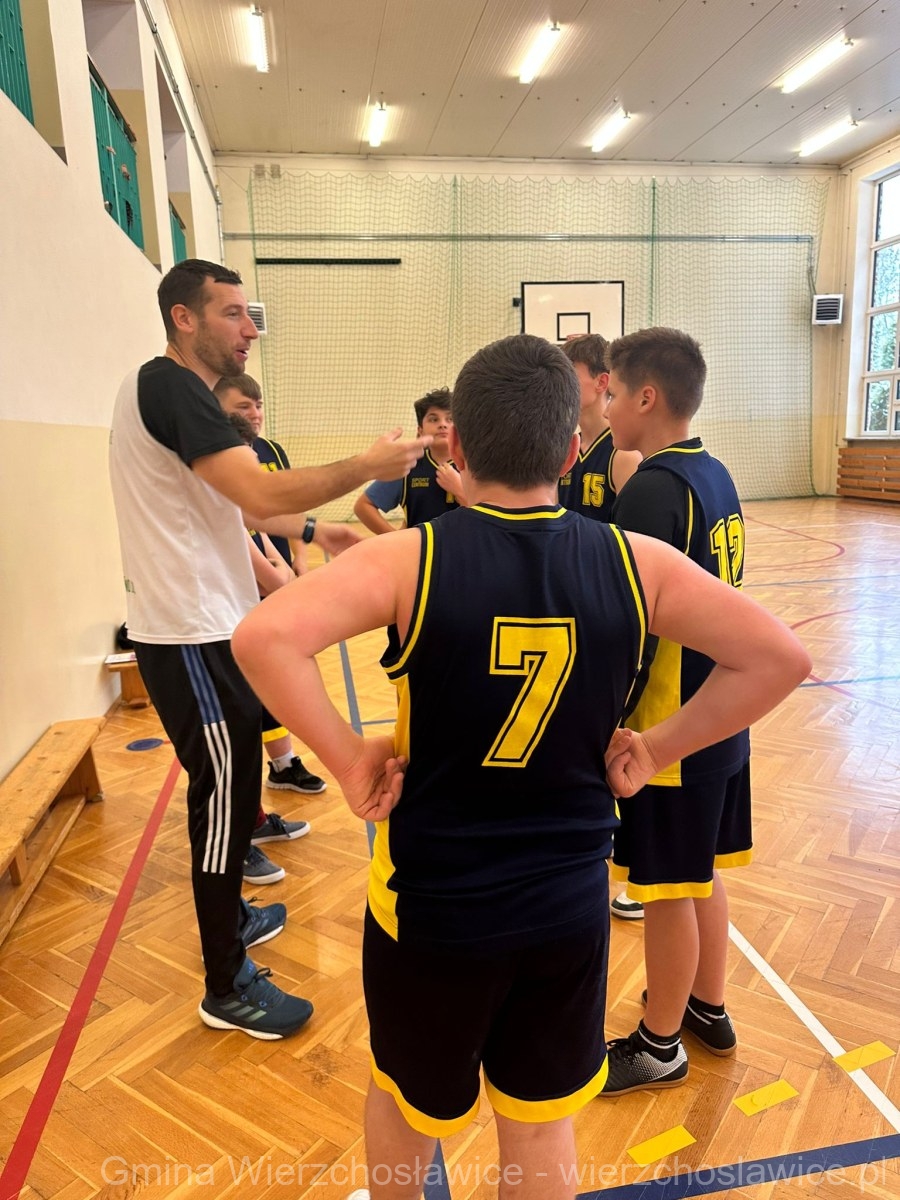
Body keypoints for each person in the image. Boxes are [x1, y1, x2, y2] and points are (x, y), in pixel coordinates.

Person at [232, 332, 809, 1196]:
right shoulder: (635, 561)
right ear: (573, 451)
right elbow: (780, 659)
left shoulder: (412, 557)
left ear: (457, 448)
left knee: (405, 1104)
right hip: (566, 904)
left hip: (433, 905)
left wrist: (349, 759)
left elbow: (263, 637)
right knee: (539, 1128)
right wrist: (656, 748)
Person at [108, 257, 431, 1040]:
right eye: (232, 314)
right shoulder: (168, 385)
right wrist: (366, 467)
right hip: (186, 632)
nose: (249, 330)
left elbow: (234, 509)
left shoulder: (182, 394)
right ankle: (225, 985)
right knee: (223, 798)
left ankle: (234, 917)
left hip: (211, 625)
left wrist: (322, 531)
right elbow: (256, 492)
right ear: (184, 318)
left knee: (239, 778)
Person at [599, 325, 763, 1095]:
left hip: (670, 730)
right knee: (699, 878)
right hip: (721, 719)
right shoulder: (715, 473)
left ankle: (659, 1043)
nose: (604, 408)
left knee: (665, 890)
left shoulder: (653, 490)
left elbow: (625, 624)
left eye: (610, 393)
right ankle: (706, 1005)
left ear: (645, 397)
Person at [557, 334, 644, 922]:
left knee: (623, 740)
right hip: (576, 615)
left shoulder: (622, 455)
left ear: (601, 381)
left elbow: (640, 555)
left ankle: (641, 871)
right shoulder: (574, 447)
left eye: (572, 373)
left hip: (610, 620)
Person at [353, 388, 463, 533]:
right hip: (421, 548)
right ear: (420, 431)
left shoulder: (476, 466)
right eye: (433, 419)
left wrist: (460, 491)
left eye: (450, 419)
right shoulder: (408, 465)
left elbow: (490, 515)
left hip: (468, 547)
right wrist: (396, 540)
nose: (443, 424)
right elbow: (363, 506)